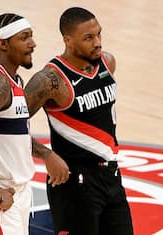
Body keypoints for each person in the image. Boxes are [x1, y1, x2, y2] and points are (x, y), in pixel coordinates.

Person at [24, 7, 134, 235]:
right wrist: (46, 154)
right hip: (74, 182)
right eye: (88, 38)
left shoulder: (107, 62)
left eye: (99, 34)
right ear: (68, 40)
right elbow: (8, 127)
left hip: (111, 175)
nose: (97, 42)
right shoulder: (49, 80)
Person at [0, 13, 69, 235]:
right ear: (3, 44)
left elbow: (12, 136)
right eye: (24, 38)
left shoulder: (15, 81)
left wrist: (46, 155)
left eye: (31, 36)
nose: (33, 44)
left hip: (17, 192)